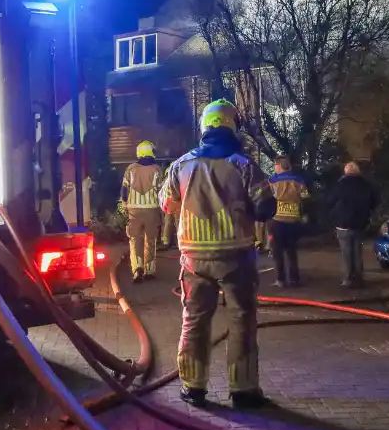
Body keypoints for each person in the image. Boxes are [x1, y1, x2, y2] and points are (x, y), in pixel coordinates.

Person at [159, 99, 276, 409]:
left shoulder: (181, 165)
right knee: (241, 321)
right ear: (232, 126)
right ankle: (243, 388)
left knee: (194, 320)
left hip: (194, 261)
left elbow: (167, 205)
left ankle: (193, 387)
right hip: (236, 259)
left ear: (204, 127)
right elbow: (266, 207)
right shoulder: (243, 164)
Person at [121, 141, 163, 283]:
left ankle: (137, 268)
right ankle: (149, 270)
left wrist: (126, 204)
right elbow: (161, 191)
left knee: (135, 240)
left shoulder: (130, 169)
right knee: (150, 240)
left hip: (134, 211)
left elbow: (124, 191)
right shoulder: (157, 169)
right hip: (152, 210)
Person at [330, 162, 377, 288]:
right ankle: (359, 278)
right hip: (360, 224)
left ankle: (348, 278)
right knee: (357, 252)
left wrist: (334, 215)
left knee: (346, 252)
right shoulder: (366, 185)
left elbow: (330, 200)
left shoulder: (340, 184)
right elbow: (374, 202)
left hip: (343, 224)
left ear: (346, 172)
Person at [268, 157, 309, 288]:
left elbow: (266, 198)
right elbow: (306, 198)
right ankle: (294, 279)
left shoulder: (272, 181)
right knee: (291, 251)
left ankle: (280, 279)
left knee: (277, 252)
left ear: (280, 165)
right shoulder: (298, 180)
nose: (274, 167)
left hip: (277, 220)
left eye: (275, 164)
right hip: (294, 220)